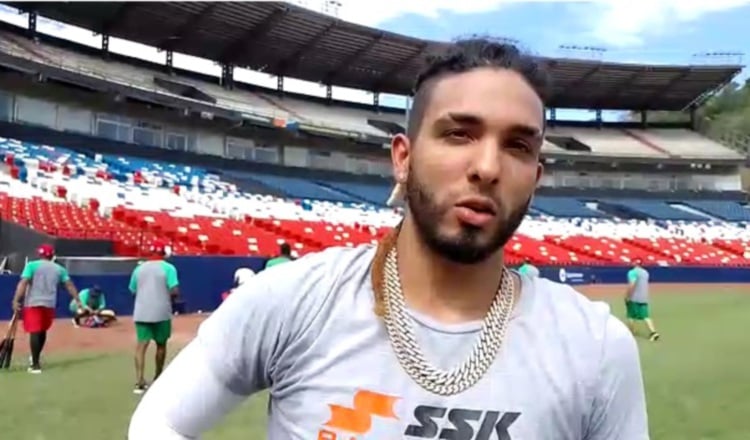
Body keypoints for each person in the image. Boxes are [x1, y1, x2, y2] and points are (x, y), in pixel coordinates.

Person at [128, 39, 649, 439]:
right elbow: (154, 424)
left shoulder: (596, 349)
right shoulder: (293, 300)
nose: (487, 167)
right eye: (459, 134)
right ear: (403, 157)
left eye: (517, 146)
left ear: (535, 177)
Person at [11, 244, 86, 373]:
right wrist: (78, 301)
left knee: (35, 331)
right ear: (52, 255)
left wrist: (16, 300)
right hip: (49, 303)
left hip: (33, 302)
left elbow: (23, 283)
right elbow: (69, 285)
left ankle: (34, 364)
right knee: (42, 330)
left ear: (40, 254)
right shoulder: (59, 269)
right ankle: (36, 358)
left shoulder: (31, 265)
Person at [128, 242, 180, 394]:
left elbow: (132, 290)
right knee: (161, 345)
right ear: (163, 253)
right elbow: (174, 290)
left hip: (142, 311)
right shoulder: (169, 268)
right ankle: (157, 378)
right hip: (161, 311)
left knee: (141, 347)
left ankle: (139, 382)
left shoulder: (139, 269)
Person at [625, 260, 660, 341]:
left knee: (631, 315)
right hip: (644, 297)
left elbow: (632, 284)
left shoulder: (632, 272)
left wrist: (628, 295)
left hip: (634, 297)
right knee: (646, 316)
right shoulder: (645, 272)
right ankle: (653, 332)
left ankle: (631, 332)